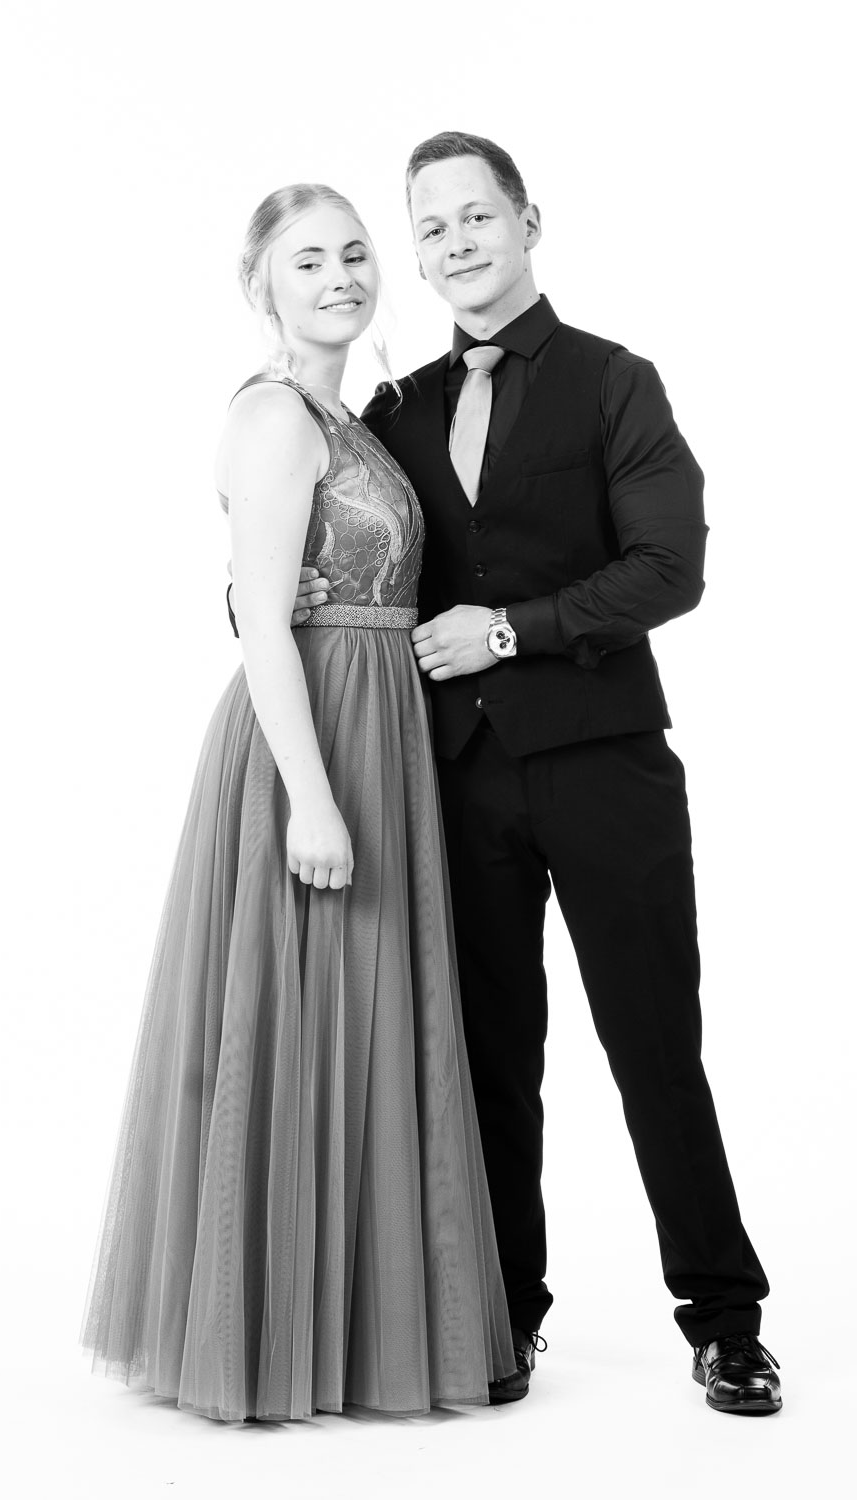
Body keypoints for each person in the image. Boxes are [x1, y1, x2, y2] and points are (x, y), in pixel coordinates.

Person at [286, 133, 781, 1415]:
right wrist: (270, 593)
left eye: (475, 217)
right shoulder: (396, 413)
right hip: (453, 780)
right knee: (488, 1057)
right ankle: (504, 1314)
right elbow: (349, 557)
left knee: (654, 1045)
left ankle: (725, 1320)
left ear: (526, 222)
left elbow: (670, 567)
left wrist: (511, 631)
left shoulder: (616, 382)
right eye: (430, 227)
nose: (454, 243)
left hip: (606, 766)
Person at [81, 183, 519, 1423]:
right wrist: (313, 804)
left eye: (354, 254)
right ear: (259, 286)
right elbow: (264, 622)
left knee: (368, 1017)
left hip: (381, 727)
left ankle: (362, 1326)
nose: (339, 277)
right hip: (311, 737)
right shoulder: (275, 415)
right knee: (295, 1016)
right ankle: (266, 1335)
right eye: (307, 260)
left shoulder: (356, 419)